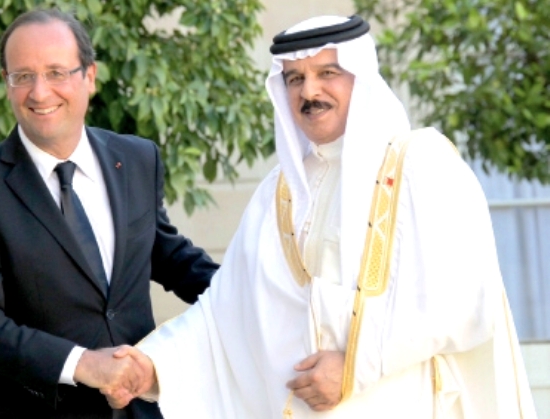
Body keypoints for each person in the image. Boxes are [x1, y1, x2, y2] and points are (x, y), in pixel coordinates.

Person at [103, 14, 538, 418]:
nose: (309, 92)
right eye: (295, 78)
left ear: (361, 77)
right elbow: (224, 315)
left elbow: (464, 299)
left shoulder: (421, 164)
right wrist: (153, 365)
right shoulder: (279, 192)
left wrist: (354, 367)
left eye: (327, 73)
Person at [0, 8, 218, 419]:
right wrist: (84, 364)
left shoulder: (137, 159)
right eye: (23, 76)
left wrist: (253, 299)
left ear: (90, 76)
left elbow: (170, 258)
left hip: (138, 409)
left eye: (56, 72)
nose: (39, 92)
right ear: (6, 83)